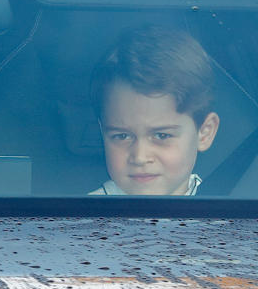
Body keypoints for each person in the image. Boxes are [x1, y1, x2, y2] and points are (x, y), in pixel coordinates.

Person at [88, 26, 220, 196]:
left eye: (162, 135)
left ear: (204, 132)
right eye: (122, 136)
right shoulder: (84, 216)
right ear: (102, 133)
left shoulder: (232, 212)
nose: (140, 157)